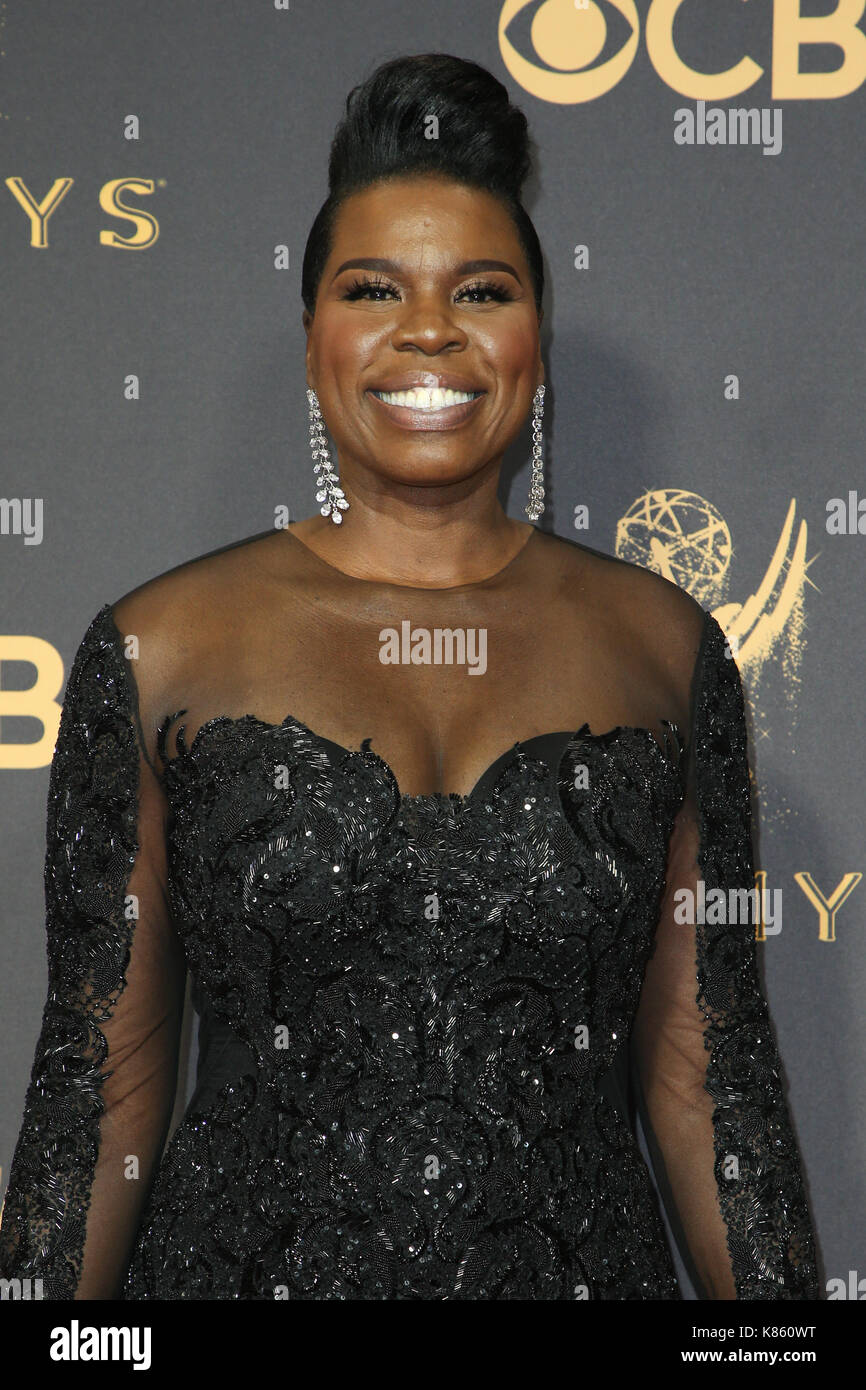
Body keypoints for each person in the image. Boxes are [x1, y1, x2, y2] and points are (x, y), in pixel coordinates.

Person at [0, 53, 819, 1301]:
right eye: (372, 286)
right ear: (313, 334)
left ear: (535, 337)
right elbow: (101, 1085)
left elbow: (707, 1075)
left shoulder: (664, 648)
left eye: (478, 289)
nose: (427, 330)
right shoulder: (160, 648)